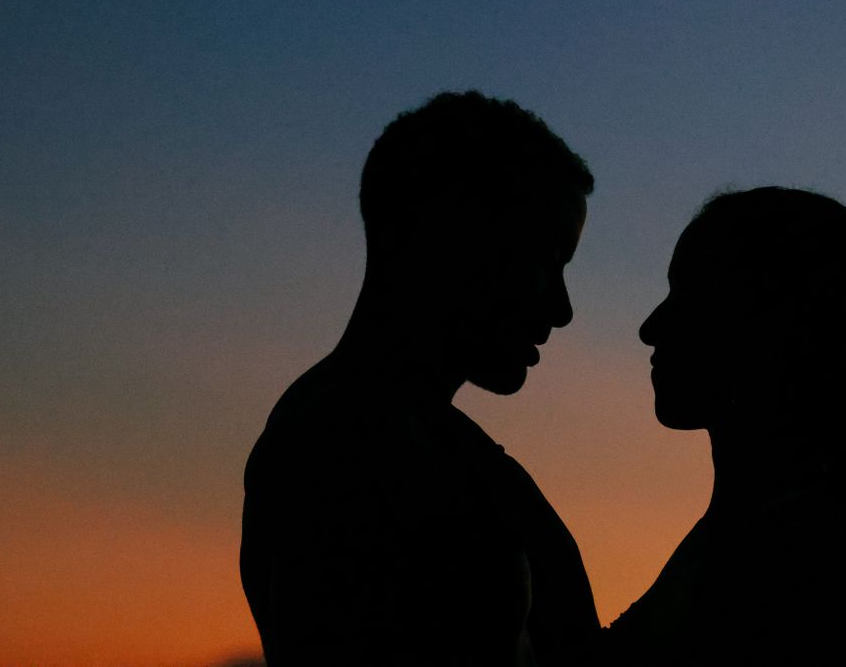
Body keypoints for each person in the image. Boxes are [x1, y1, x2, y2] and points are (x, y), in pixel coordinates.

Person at [241, 91, 599, 666]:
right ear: (452, 236)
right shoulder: (344, 444)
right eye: (544, 258)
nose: (561, 309)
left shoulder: (441, 447)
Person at [604, 187, 846, 667]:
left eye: (689, 295)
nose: (651, 327)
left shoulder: (803, 551)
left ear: (767, 325)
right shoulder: (749, 527)